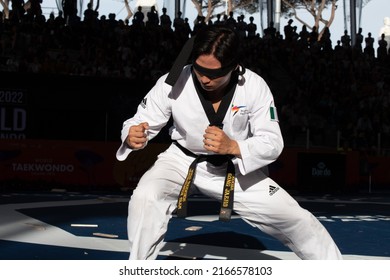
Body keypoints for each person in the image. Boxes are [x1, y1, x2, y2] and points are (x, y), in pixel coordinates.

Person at [116, 25, 343, 260]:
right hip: (180, 161)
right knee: (145, 197)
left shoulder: (255, 87)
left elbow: (273, 142)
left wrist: (234, 147)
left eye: (214, 74)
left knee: (299, 219)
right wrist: (132, 135)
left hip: (234, 166)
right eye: (200, 70)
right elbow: (140, 121)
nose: (205, 79)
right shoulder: (172, 82)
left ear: (234, 66)